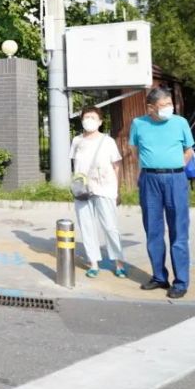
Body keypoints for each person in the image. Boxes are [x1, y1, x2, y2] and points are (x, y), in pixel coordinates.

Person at [129, 87, 195, 299]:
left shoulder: (180, 123)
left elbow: (188, 150)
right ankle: (159, 276)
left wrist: (174, 168)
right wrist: (153, 166)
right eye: (163, 105)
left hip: (176, 179)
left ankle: (181, 281)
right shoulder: (139, 124)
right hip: (149, 179)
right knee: (153, 230)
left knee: (179, 231)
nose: (168, 108)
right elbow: (135, 150)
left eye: (169, 104)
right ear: (150, 108)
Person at [69, 106, 126, 279]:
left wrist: (117, 190)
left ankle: (119, 263)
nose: (89, 120)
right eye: (87, 117)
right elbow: (75, 165)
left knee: (110, 226)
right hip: (83, 189)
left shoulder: (107, 141)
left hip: (105, 188)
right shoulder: (77, 141)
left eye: (93, 117)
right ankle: (93, 262)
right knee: (86, 225)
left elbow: (116, 166)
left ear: (100, 122)